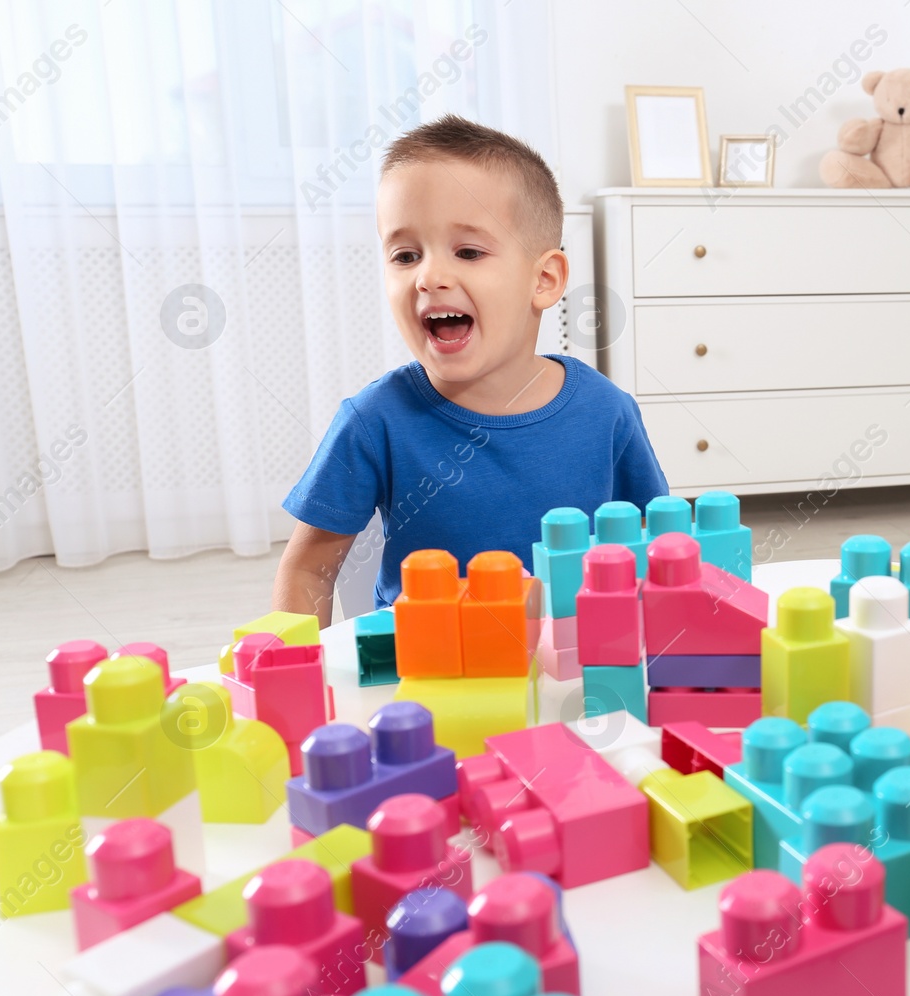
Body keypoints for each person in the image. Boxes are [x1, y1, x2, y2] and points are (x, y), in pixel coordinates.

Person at [273, 115, 667, 626]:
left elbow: (661, 549)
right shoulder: (374, 420)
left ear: (544, 279)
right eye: (405, 255)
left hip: (573, 665)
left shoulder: (606, 411)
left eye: (468, 251)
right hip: (426, 669)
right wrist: (299, 676)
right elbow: (308, 569)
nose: (429, 276)